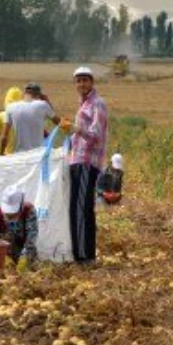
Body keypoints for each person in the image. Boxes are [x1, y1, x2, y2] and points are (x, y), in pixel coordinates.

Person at [68, 66, 109, 264]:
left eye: (85, 80)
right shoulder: (83, 104)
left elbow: (96, 135)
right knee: (77, 207)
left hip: (87, 162)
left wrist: (76, 129)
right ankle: (82, 253)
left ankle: (84, 255)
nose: (81, 84)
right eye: (78, 81)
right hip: (77, 159)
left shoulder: (97, 104)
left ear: (92, 82)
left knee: (81, 209)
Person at [0, 185, 39, 267]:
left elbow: (31, 237)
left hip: (24, 252)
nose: (9, 218)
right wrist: (0, 255)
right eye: (7, 215)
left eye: (12, 215)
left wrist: (24, 257)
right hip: (1, 255)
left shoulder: (29, 211)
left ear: (21, 207)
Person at [1, 83, 60, 154]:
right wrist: (47, 101)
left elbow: (4, 137)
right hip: (37, 154)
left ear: (24, 94)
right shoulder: (42, 105)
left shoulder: (10, 107)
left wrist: (1, 153)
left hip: (19, 154)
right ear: (39, 95)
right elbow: (58, 122)